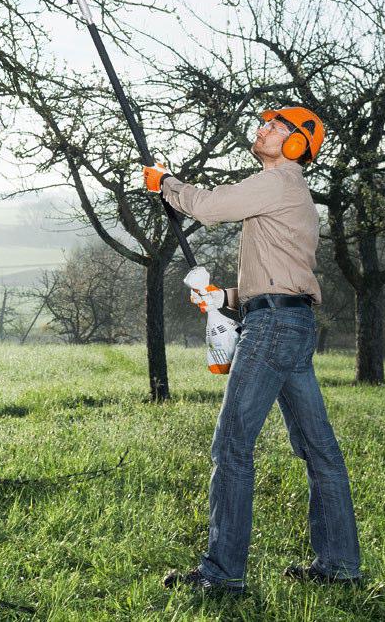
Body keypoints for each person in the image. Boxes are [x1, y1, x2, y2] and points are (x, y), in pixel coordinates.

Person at [143, 106, 361, 593]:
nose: (262, 129)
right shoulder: (285, 193)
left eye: (275, 126)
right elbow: (279, 279)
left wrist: (167, 184)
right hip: (288, 320)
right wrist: (225, 298)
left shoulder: (280, 182)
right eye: (264, 123)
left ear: (297, 144)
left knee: (232, 446)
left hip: (276, 327)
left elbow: (210, 206)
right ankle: (341, 565)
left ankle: (221, 575)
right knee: (318, 449)